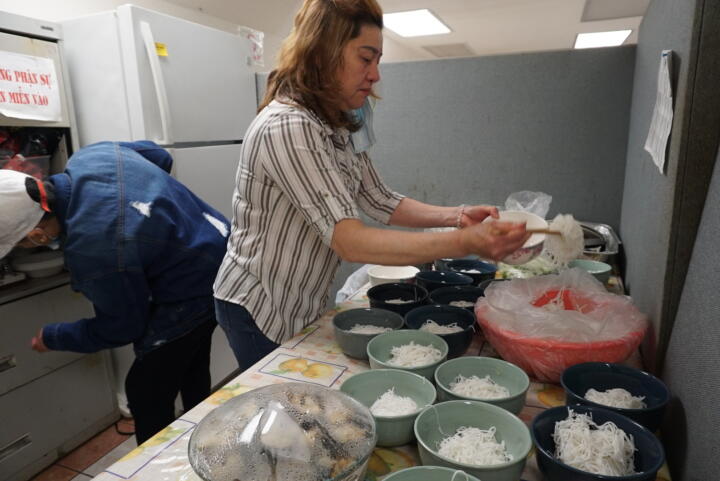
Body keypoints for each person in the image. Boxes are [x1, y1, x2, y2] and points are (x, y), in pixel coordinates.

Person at [213, 0, 530, 370]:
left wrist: (459, 216)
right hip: (260, 303)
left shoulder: (339, 120)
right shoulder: (288, 126)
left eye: (378, 60)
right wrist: (464, 242)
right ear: (323, 52)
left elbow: (378, 198)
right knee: (279, 410)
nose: (376, 74)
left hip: (300, 297)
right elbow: (349, 239)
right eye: (366, 58)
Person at [0, 141, 230, 444]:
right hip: (223, 254)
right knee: (190, 361)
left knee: (145, 391)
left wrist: (56, 335)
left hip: (191, 290)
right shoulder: (92, 157)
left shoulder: (93, 249)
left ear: (37, 235)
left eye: (20, 245)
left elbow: (122, 327)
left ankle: (156, 468)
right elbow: (158, 154)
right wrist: (150, 207)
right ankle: (206, 442)